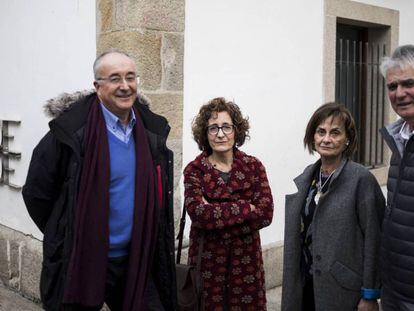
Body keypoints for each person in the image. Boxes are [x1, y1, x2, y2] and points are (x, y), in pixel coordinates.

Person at [22, 50, 177, 310]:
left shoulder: (151, 130)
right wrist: (65, 232)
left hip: (137, 258)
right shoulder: (71, 131)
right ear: (97, 86)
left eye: (130, 77)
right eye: (115, 79)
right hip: (82, 258)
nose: (125, 86)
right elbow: (37, 193)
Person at [281, 103, 385, 311]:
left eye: (335, 132)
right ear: (313, 137)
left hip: (344, 289)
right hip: (304, 285)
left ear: (347, 139)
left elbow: (375, 239)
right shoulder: (308, 177)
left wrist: (370, 293)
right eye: (321, 132)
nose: (326, 139)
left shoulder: (361, 180)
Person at [183, 97, 274, 310]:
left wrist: (216, 215)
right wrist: (247, 208)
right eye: (213, 128)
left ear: (236, 130)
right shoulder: (195, 170)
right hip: (208, 264)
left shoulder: (253, 166)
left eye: (226, 126)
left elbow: (266, 213)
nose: (221, 134)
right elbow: (199, 214)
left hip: (246, 266)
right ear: (205, 134)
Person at [379, 44, 414, 310]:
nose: (399, 93)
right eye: (392, 86)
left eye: (409, 83)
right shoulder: (398, 140)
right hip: (395, 290)